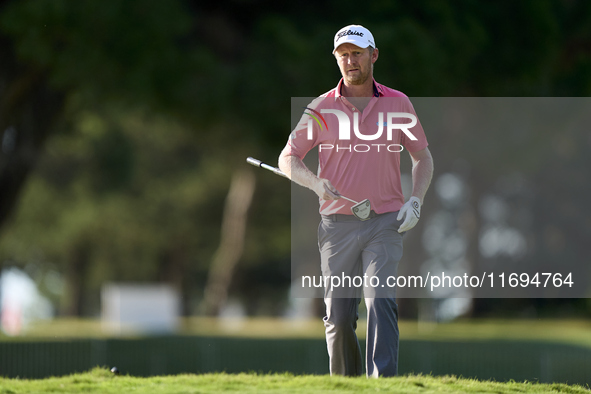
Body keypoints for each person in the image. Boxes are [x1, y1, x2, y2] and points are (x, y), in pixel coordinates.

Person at [278, 24, 434, 377]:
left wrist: (416, 200)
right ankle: (346, 385)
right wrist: (316, 184)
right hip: (337, 226)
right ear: (337, 60)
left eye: (357, 53)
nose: (350, 61)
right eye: (343, 55)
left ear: (373, 56)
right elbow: (288, 158)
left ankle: (383, 384)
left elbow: (423, 157)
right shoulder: (320, 108)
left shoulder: (398, 103)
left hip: (385, 222)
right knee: (339, 314)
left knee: (380, 300)